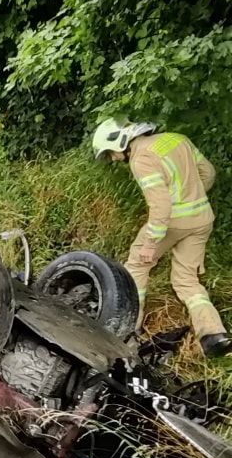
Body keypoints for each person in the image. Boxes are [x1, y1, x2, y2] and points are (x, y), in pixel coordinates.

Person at [92, 118, 231, 357]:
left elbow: (160, 205)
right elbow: (208, 173)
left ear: (120, 141)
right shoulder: (177, 139)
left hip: (172, 221)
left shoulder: (141, 158)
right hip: (202, 218)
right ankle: (214, 335)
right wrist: (193, 197)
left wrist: (150, 243)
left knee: (136, 265)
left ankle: (126, 329)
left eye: (110, 153)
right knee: (186, 279)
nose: (114, 159)